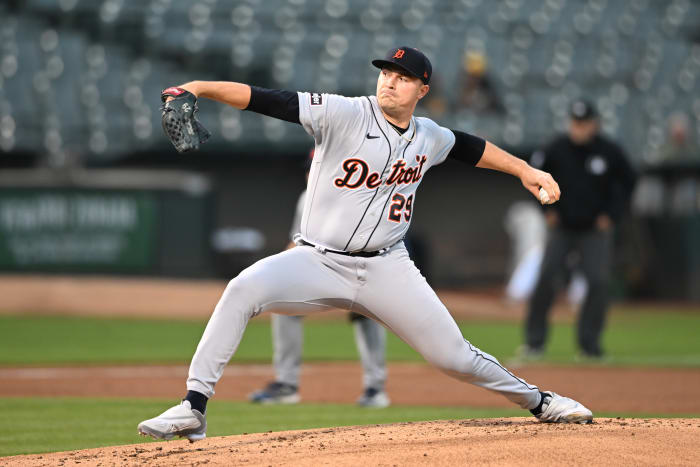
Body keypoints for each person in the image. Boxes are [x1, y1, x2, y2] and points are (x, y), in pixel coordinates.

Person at [137, 46, 593, 442]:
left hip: (387, 268)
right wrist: (198, 85)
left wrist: (525, 171)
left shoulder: (429, 136)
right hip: (317, 259)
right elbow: (265, 100)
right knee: (242, 289)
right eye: (386, 73)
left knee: (454, 358)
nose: (390, 83)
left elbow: (471, 147)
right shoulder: (344, 112)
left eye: (403, 78)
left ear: (422, 90)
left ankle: (540, 401)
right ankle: (194, 406)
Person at [250, 154, 389, 408]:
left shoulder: (358, 196)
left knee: (367, 316)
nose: (310, 175)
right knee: (283, 308)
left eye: (317, 169)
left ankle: (375, 388)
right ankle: (287, 385)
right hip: (322, 274)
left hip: (359, 270)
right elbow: (296, 242)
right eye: (309, 170)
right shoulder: (307, 199)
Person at [517, 99, 636, 362]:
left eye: (583, 123)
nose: (578, 128)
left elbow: (628, 182)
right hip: (562, 227)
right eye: (575, 122)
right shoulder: (555, 149)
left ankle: (590, 346)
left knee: (598, 282)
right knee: (546, 278)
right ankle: (534, 343)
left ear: (594, 124)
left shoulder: (609, 152)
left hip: (595, 229)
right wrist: (546, 212)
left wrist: (612, 215)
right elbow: (532, 179)